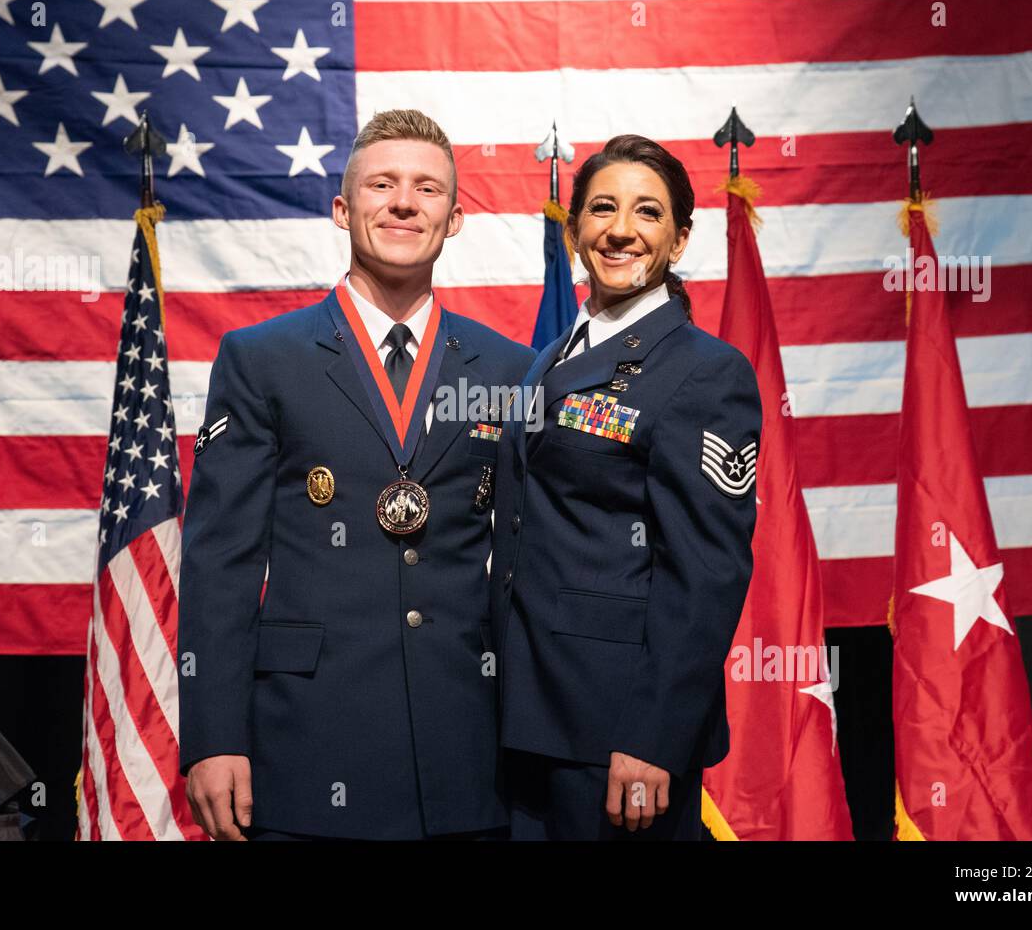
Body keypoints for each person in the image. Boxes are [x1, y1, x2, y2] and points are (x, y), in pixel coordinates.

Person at [178, 109, 535, 840]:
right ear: (343, 210)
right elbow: (222, 562)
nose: (404, 202)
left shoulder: (508, 369)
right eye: (383, 184)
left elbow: (527, 563)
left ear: (456, 217)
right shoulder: (261, 359)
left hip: (465, 753)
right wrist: (214, 736)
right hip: (306, 747)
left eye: (428, 189)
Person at [490, 134, 762, 840]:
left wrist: (654, 737)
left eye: (647, 212)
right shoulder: (552, 357)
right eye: (602, 208)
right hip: (526, 715)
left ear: (679, 238)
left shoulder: (706, 371)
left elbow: (706, 573)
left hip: (616, 734)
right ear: (575, 226)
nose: (620, 230)